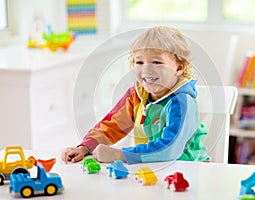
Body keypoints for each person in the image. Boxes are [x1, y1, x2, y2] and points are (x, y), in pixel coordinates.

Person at [61, 25, 209, 164]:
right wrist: (85, 147)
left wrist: (120, 155)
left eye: (156, 62)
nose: (147, 69)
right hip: (150, 170)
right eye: (139, 62)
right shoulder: (138, 95)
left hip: (187, 171)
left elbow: (169, 150)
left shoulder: (182, 102)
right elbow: (112, 125)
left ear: (179, 67)